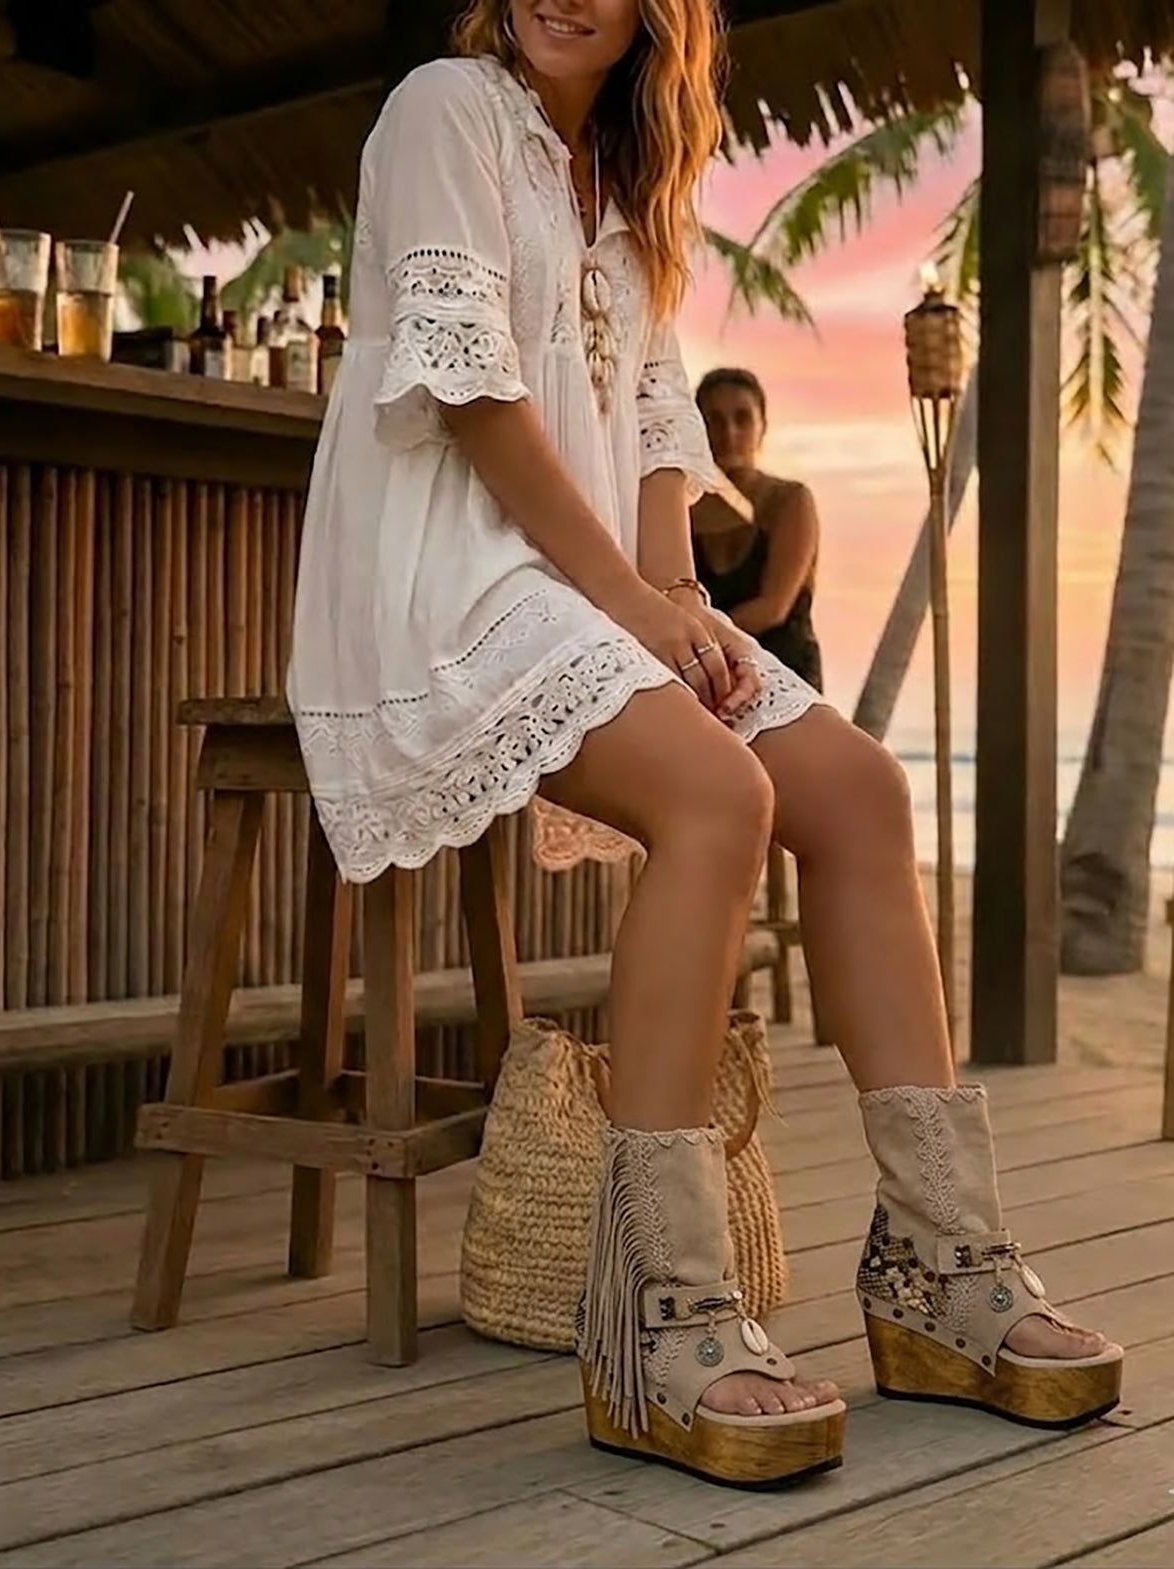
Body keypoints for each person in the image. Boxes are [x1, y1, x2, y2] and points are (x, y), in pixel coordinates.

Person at [287, 0, 1121, 1491]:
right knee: (716, 792)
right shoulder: (443, 111)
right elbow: (473, 399)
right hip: (447, 583)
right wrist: (631, 601)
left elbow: (661, 427)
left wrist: (677, 594)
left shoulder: (627, 179)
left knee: (859, 789)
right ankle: (657, 1313)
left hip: (601, 591)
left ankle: (944, 1269)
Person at [692, 367, 823, 691]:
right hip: (709, 680)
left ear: (762, 426)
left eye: (742, 418)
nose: (729, 432)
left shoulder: (789, 500)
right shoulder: (679, 511)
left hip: (783, 675)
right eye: (715, 420)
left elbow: (773, 607)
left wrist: (690, 640)